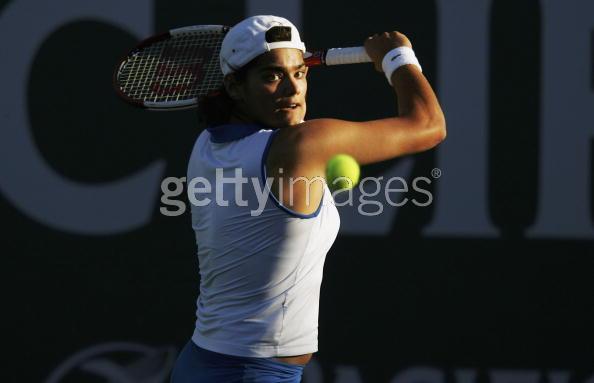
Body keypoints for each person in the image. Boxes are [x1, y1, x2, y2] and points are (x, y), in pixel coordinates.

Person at [170, 14, 445, 383]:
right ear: (235, 87)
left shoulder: (205, 146)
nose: (292, 89)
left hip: (200, 363)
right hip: (250, 376)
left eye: (299, 73)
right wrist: (398, 57)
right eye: (272, 76)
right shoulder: (300, 146)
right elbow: (428, 125)